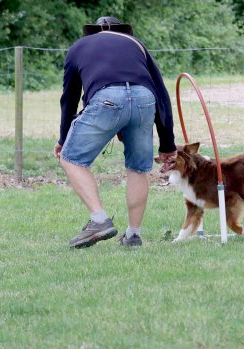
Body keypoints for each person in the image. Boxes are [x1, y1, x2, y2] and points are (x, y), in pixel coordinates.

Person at [54, 16, 177, 248]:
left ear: (91, 32)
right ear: (123, 31)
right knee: (138, 168)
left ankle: (99, 220)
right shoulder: (136, 44)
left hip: (106, 97)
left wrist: (63, 139)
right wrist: (167, 145)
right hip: (144, 99)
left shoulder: (78, 47)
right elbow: (161, 94)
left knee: (71, 158)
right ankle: (133, 235)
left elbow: (68, 99)